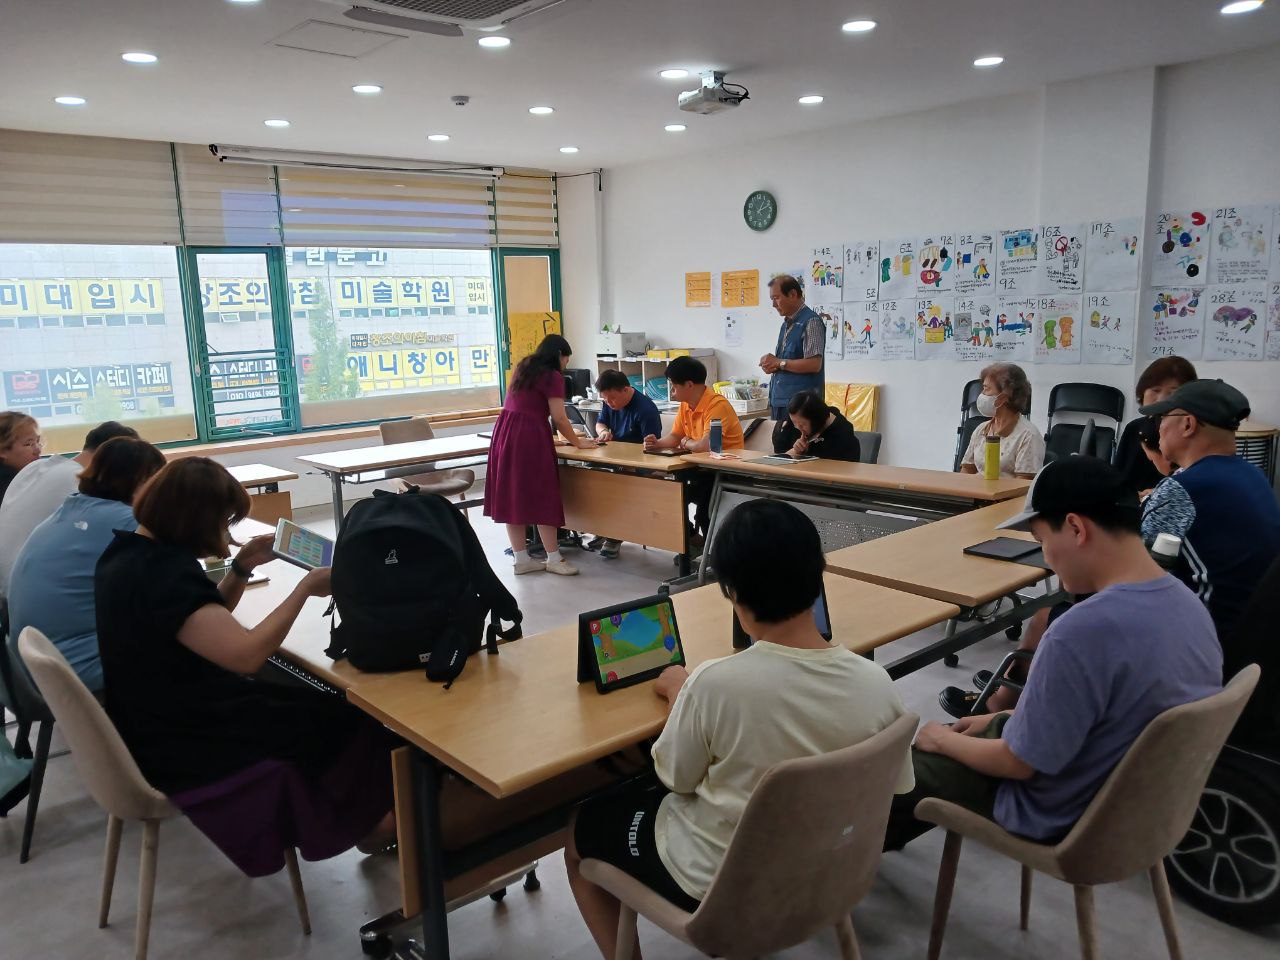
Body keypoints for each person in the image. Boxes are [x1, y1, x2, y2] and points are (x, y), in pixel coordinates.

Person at [566, 500, 913, 957]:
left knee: (578, 829)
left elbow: (674, 778)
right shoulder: (877, 684)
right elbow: (900, 789)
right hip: (830, 875)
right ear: (819, 575)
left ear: (730, 591)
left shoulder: (715, 685)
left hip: (718, 893)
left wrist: (680, 695)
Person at [885, 457, 1222, 851]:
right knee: (971, 733)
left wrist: (941, 740)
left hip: (1064, 813)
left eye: (1043, 541)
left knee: (895, 777)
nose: (1046, 558)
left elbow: (1019, 763)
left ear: (1076, 528)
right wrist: (1005, 717)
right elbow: (1109, 711)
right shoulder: (1188, 604)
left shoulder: (1080, 630)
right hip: (1135, 806)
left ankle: (829, 882)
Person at [95, 458, 396, 874]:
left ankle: (365, 820)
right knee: (347, 719)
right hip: (185, 738)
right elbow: (247, 655)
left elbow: (199, 620)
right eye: (223, 522)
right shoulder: (164, 576)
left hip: (155, 717)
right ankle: (374, 825)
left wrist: (241, 567)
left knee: (316, 704)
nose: (225, 533)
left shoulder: (128, 554)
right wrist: (306, 588)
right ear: (194, 520)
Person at [7, 437, 164, 691]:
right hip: (70, 672)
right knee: (190, 646)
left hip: (30, 664)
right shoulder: (126, 519)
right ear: (141, 482)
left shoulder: (72, 507)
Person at [1139, 379, 1280, 638]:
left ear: (1188, 424)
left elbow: (1136, 580)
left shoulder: (1180, 490)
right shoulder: (1254, 476)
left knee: (1048, 621)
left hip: (1201, 647)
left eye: (1163, 417)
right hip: (1256, 644)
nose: (1158, 427)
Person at [485, 334, 597, 577]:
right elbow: (559, 417)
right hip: (529, 435)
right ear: (559, 354)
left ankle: (521, 559)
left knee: (513, 495)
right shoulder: (553, 376)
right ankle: (554, 557)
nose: (567, 363)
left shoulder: (524, 367)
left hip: (505, 431)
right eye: (567, 358)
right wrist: (578, 443)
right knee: (543, 493)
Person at [0, 420, 138, 600]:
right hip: (29, 597)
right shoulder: (79, 484)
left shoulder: (35, 467)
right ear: (115, 455)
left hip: (11, 592)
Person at [644, 356, 744, 536]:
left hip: (725, 471)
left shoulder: (717, 405)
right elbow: (676, 436)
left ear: (689, 384)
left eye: (674, 386)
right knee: (669, 497)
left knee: (702, 509)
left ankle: (710, 554)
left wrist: (688, 442)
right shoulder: (686, 405)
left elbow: (708, 446)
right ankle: (692, 541)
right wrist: (657, 444)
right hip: (700, 468)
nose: (672, 391)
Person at [591, 369, 663, 560]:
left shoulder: (645, 409)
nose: (609, 403)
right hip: (615, 461)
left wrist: (632, 465)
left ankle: (614, 535)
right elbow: (600, 423)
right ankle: (603, 529)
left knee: (619, 489)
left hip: (640, 465)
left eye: (612, 398)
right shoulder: (610, 402)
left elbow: (653, 449)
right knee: (593, 480)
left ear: (626, 390)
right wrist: (604, 431)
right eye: (605, 400)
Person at [1113, 357, 1197, 495]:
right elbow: (1119, 479)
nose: (1162, 399)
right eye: (1155, 390)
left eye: (1172, 392)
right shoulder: (1135, 428)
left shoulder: (1191, 432)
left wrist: (1158, 493)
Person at [958, 362, 1044, 479]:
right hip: (977, 494)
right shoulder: (981, 429)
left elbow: (1024, 485)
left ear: (1003, 398)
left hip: (1006, 497)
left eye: (986, 389)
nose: (982, 394)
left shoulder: (1028, 435)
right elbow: (967, 470)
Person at [760, 275, 826, 426]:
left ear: (793, 294)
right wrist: (772, 366)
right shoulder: (787, 323)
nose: (773, 304)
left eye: (776, 298)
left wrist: (779, 363)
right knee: (780, 448)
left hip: (801, 407)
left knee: (797, 449)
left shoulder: (811, 322)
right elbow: (785, 361)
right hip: (780, 401)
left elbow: (814, 364)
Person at [772, 389, 861, 462]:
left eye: (802, 425)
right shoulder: (796, 419)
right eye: (794, 422)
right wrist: (795, 452)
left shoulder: (842, 436)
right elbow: (778, 455)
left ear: (816, 420)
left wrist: (805, 453)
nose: (798, 428)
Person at [0, 412, 42, 504]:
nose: (38, 450)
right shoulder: (12, 484)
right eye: (28, 444)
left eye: (38, 441)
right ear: (3, 451)